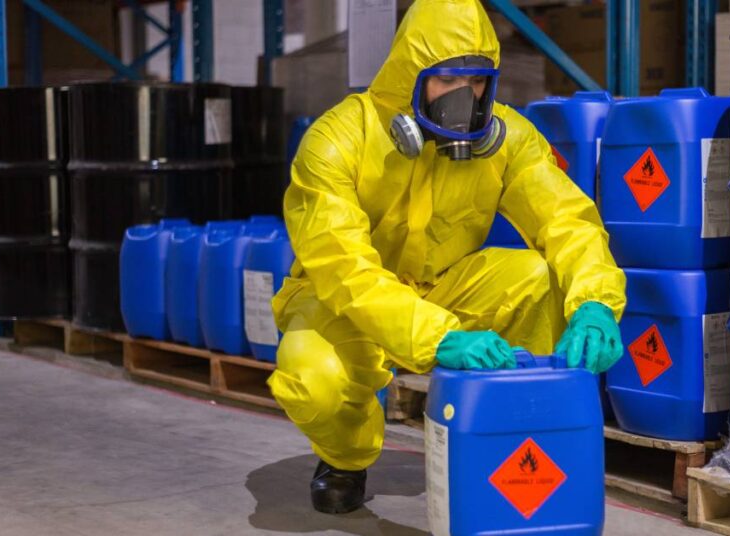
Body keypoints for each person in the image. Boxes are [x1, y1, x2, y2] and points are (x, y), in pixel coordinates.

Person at [268, 0, 627, 515]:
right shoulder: (336, 141)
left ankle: (512, 439)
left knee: (536, 276)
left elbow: (566, 220)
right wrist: (437, 337)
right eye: (448, 79)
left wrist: (594, 302)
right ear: (410, 76)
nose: (466, 96)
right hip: (342, 301)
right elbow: (343, 266)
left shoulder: (507, 139)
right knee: (312, 376)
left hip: (445, 285)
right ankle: (345, 458)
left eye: (477, 80)